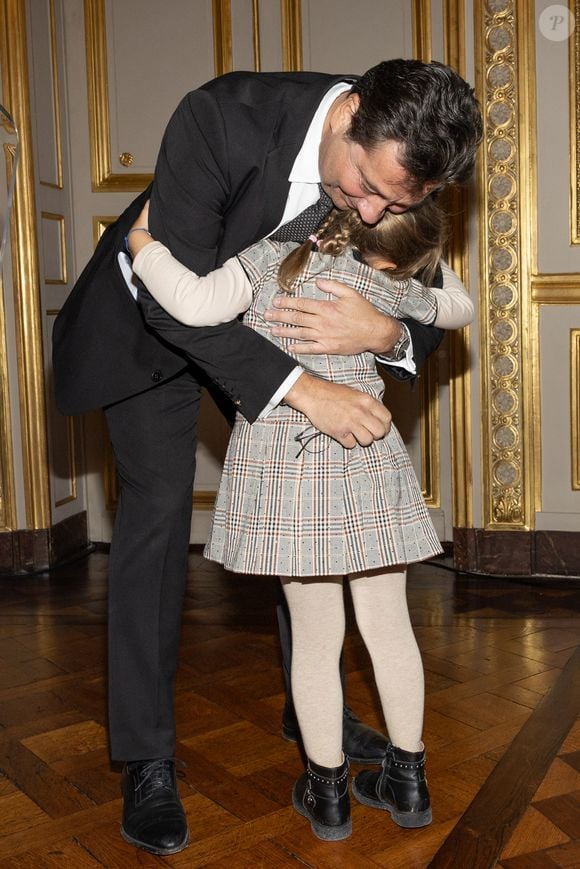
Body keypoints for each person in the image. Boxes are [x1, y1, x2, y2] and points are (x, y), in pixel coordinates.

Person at [52, 59, 482, 855]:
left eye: (396, 201)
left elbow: (426, 287)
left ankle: (310, 713)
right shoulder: (221, 119)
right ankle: (146, 758)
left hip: (279, 325)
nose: (369, 208)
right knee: (153, 516)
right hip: (162, 331)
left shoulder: (404, 152)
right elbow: (182, 306)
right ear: (349, 113)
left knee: (304, 510)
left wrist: (382, 332)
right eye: (363, 186)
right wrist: (301, 388)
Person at [125, 193, 474, 841]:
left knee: (315, 637)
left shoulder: (268, 258)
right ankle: (408, 780)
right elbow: (460, 306)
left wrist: (144, 245)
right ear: (399, 257)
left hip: (287, 464)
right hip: (367, 450)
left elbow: (194, 304)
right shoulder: (385, 284)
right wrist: (416, 282)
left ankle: (329, 794)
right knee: (389, 622)